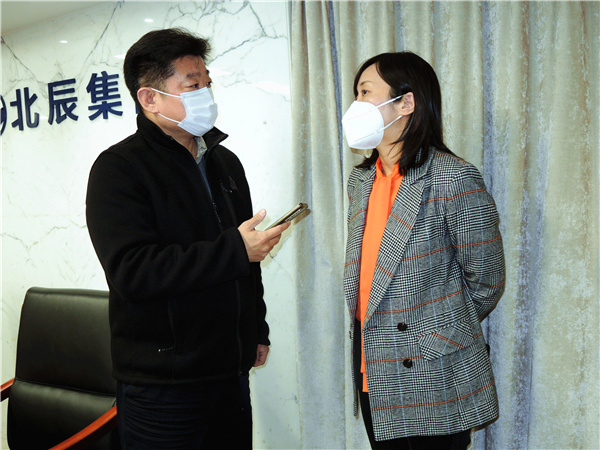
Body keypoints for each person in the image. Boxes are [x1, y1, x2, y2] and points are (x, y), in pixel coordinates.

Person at [85, 28, 289, 449]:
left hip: (230, 374)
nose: (206, 96)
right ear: (149, 98)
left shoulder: (225, 162)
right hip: (164, 385)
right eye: (193, 86)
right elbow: (133, 272)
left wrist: (256, 329)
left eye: (207, 84)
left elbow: (247, 263)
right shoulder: (118, 169)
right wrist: (235, 250)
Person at [342, 52, 505, 449]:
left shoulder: (452, 177)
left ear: (406, 103)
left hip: (433, 374)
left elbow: (486, 280)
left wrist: (433, 336)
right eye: (357, 93)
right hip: (374, 368)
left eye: (366, 92)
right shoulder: (361, 180)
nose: (356, 105)